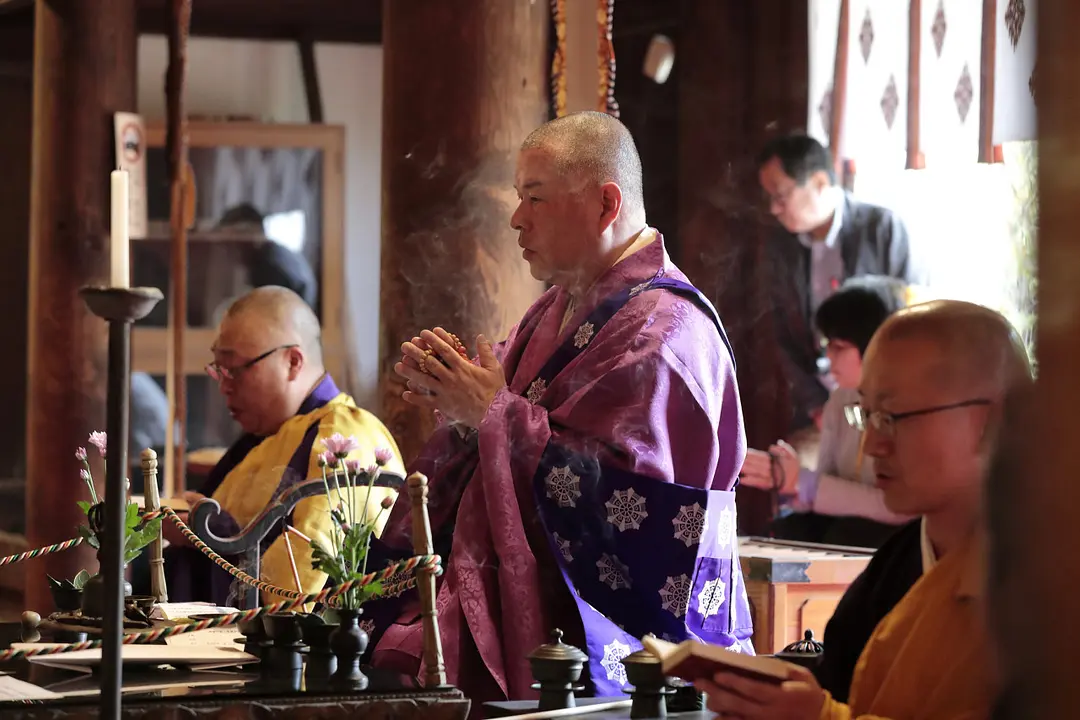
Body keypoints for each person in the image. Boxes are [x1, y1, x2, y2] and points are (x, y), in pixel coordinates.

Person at [364, 111, 753, 703]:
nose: (518, 220)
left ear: (605, 204)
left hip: (625, 638)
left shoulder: (666, 332)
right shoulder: (555, 309)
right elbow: (509, 401)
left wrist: (491, 413)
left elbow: (632, 504)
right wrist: (459, 391)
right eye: (519, 198)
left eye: (536, 199)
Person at [696, 300, 1033, 718]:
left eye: (893, 416)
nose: (873, 446)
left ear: (992, 420)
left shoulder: (1047, 583)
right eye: (868, 414)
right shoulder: (893, 570)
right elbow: (837, 683)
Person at [162, 286, 404, 606]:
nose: (224, 386)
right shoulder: (263, 438)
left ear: (292, 361)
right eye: (219, 370)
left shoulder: (343, 435)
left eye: (235, 370)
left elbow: (299, 589)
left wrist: (208, 533)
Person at [759, 134, 922, 435]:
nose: (774, 209)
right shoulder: (781, 247)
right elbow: (782, 334)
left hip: (884, 401)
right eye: (769, 198)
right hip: (818, 404)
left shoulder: (881, 229)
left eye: (780, 196)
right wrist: (818, 406)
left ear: (820, 182)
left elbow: (911, 318)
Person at [739, 276, 913, 548]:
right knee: (784, 532)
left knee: (847, 534)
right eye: (827, 345)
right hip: (846, 525)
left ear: (874, 347)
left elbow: (898, 507)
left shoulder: (906, 404)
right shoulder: (840, 400)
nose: (828, 357)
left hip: (892, 535)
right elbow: (828, 483)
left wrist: (804, 483)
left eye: (839, 347)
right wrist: (791, 481)